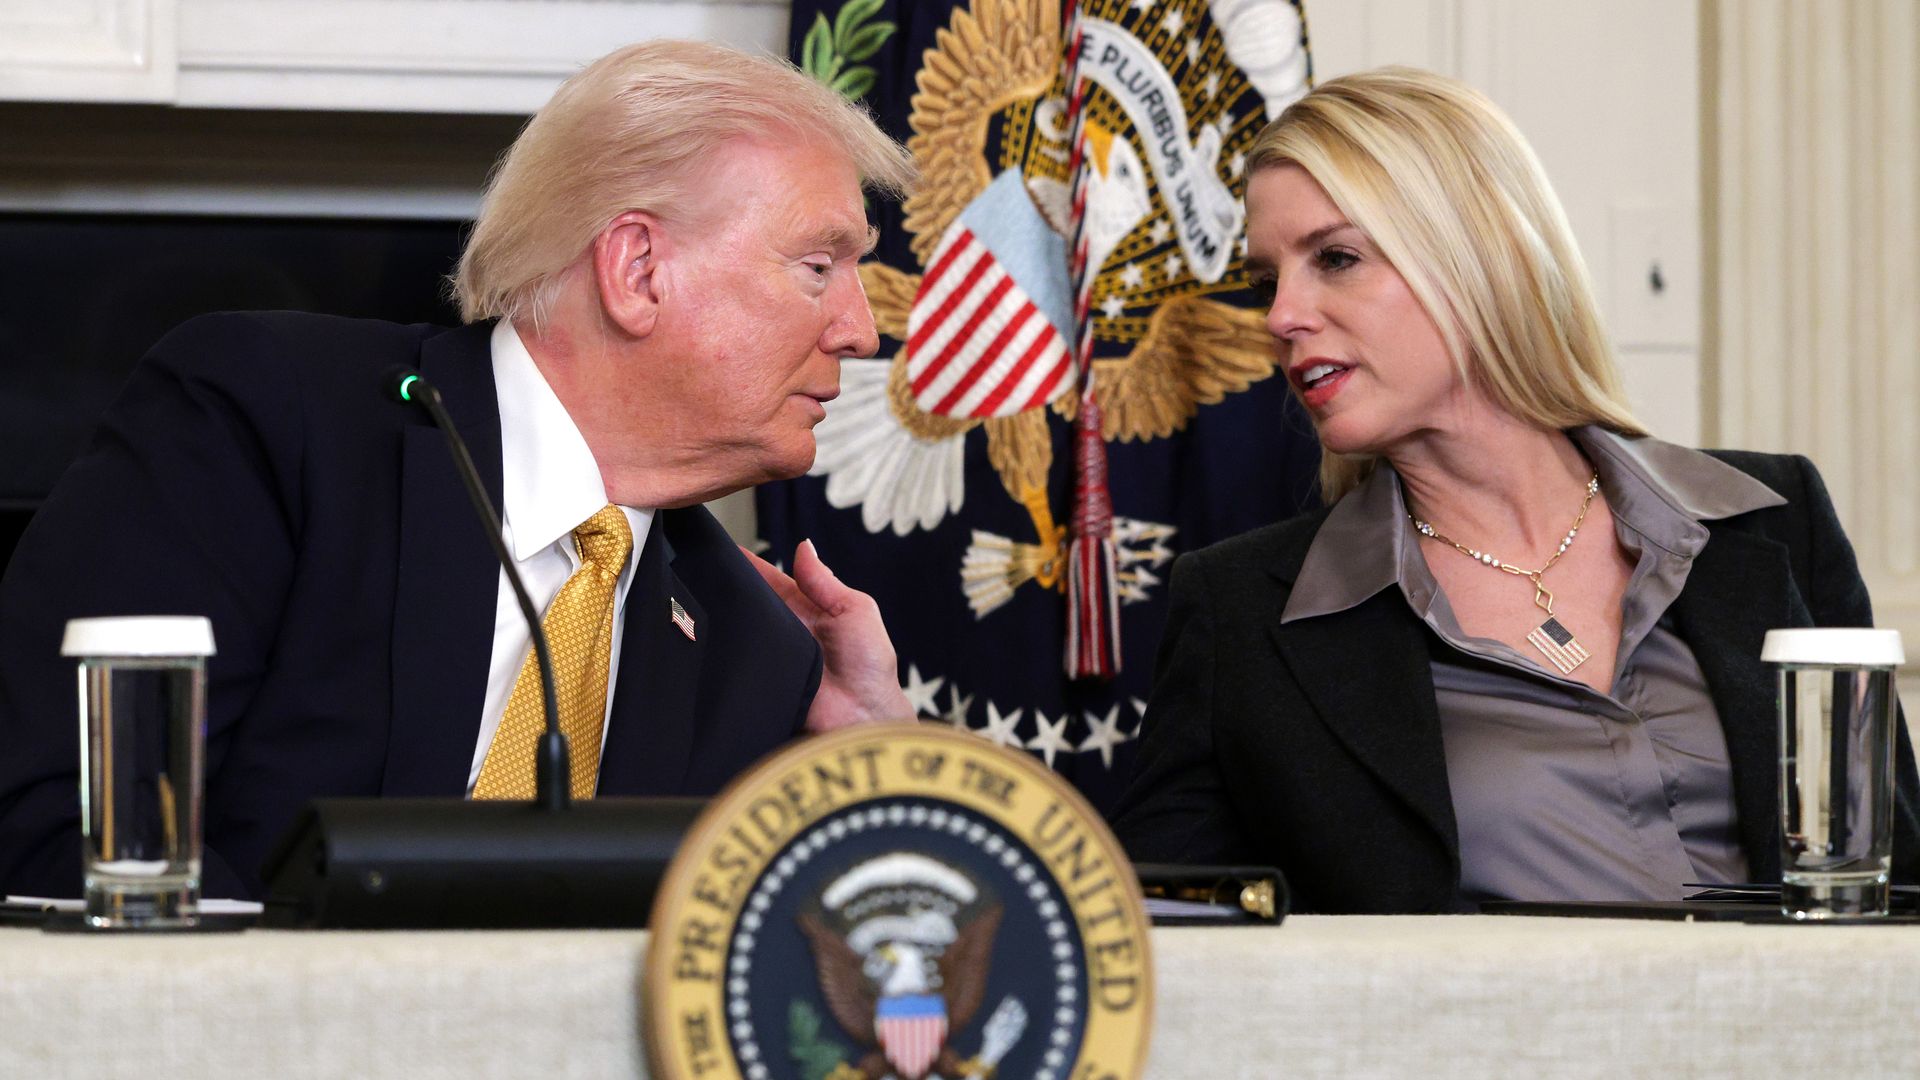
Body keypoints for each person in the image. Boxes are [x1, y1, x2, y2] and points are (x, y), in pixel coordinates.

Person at [0, 40, 919, 900]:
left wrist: (875, 758)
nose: (862, 330)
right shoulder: (268, 421)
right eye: (817, 266)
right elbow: (57, 841)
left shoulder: (755, 651)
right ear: (638, 269)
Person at [1111, 67, 1920, 914]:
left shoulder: (1776, 517)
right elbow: (1158, 930)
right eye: (1267, 280)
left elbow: (1896, 883)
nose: (1281, 316)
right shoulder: (1242, 614)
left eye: (1336, 258)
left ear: (1477, 256)